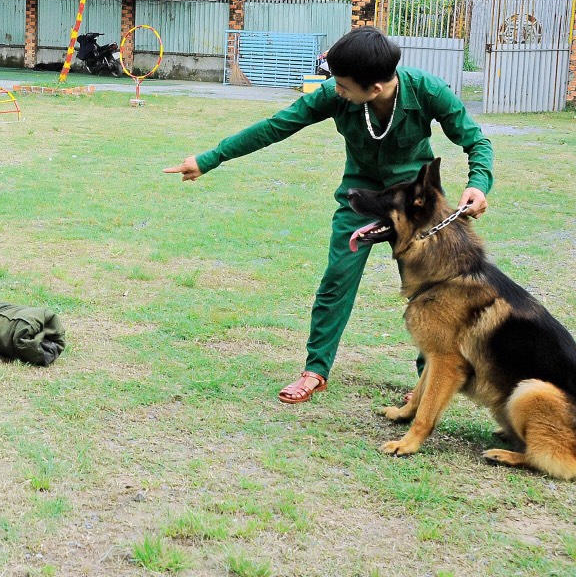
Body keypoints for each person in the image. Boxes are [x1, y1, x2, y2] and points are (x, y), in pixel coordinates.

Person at [165, 27, 494, 404]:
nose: (333, 88)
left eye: (341, 84)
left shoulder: (426, 90)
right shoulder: (334, 95)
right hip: (361, 198)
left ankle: (426, 382)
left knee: (429, 292)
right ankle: (315, 370)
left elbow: (475, 139)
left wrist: (479, 183)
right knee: (337, 278)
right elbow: (275, 127)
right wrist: (210, 159)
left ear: (373, 89)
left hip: (413, 207)